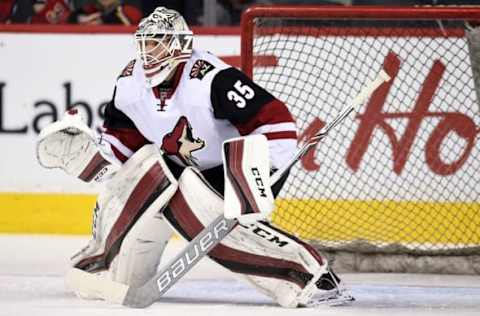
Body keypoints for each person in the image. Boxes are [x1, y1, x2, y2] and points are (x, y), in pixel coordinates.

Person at [36, 6, 353, 308]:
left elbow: (275, 120)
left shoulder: (212, 78)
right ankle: (106, 262)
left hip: (231, 171)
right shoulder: (130, 83)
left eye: (157, 45)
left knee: (197, 207)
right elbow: (125, 145)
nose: (149, 54)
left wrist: (258, 173)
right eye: (145, 45)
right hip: (182, 169)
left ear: (179, 47)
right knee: (142, 177)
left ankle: (312, 279)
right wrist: (94, 156)